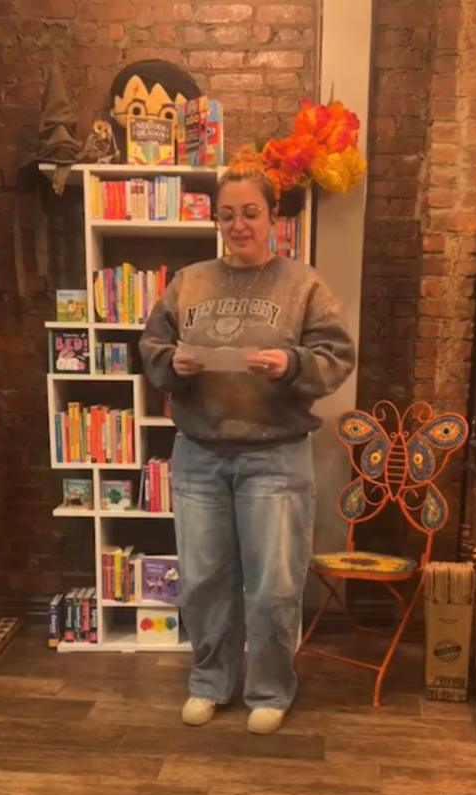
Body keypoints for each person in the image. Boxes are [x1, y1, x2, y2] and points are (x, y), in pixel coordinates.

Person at [139, 165, 355, 734]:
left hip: (275, 455)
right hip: (199, 452)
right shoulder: (189, 282)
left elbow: (336, 356)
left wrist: (291, 363)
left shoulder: (303, 284)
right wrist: (173, 362)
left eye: (251, 212)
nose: (239, 225)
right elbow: (152, 347)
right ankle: (209, 682)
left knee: (274, 584)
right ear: (216, 219)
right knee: (204, 578)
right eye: (228, 214)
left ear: (273, 216)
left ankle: (270, 688)